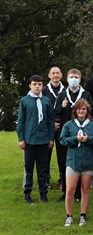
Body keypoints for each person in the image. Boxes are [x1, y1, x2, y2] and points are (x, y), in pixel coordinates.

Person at [59, 99, 93, 226]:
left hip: (88, 161)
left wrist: (89, 139)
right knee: (70, 189)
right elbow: (62, 140)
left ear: (87, 111)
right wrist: (75, 139)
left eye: (84, 109)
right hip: (73, 161)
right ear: (75, 111)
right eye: (79, 109)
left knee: (85, 189)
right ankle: (69, 216)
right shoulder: (69, 125)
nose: (81, 111)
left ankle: (83, 215)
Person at [54, 68, 93, 201]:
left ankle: (78, 193)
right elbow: (56, 112)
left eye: (76, 77)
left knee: (79, 162)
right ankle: (66, 191)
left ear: (80, 79)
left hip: (82, 133)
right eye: (71, 77)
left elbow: (90, 111)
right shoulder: (62, 94)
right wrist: (62, 106)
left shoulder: (85, 94)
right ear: (67, 79)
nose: (74, 79)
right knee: (64, 162)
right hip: (66, 133)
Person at [16, 75, 55, 204]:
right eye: (35, 84)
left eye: (39, 84)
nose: (37, 86)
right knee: (29, 168)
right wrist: (21, 138)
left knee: (43, 168)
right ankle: (27, 193)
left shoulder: (46, 101)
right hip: (29, 140)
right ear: (30, 85)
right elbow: (21, 121)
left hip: (43, 140)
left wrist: (51, 138)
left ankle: (43, 193)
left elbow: (50, 121)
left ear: (42, 86)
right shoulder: (25, 101)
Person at [42, 66, 65, 190]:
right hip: (47, 127)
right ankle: (46, 180)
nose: (55, 75)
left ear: (61, 75)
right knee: (46, 155)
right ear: (49, 75)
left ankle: (63, 180)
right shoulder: (44, 91)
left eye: (58, 73)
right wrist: (50, 124)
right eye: (53, 73)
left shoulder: (66, 90)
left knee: (63, 156)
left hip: (62, 126)